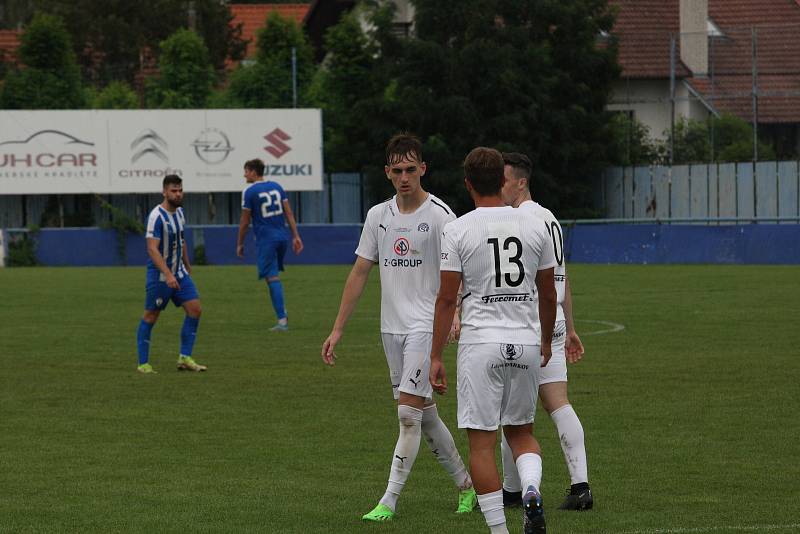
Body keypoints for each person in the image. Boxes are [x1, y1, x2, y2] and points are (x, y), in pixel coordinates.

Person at [321, 134, 477, 521]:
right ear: (387, 173)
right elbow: (360, 271)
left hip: (426, 327)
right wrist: (338, 328)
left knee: (407, 415)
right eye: (397, 170)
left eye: (411, 169)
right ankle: (466, 485)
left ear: (422, 169)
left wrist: (455, 312)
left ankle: (388, 500)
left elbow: (461, 272)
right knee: (423, 414)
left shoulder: (442, 215)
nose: (404, 177)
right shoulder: (378, 216)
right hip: (391, 328)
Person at [429, 147, 557, 534]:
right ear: (503, 180)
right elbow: (548, 293)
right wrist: (547, 341)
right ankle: (531, 489)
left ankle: (500, 531)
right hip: (526, 340)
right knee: (521, 433)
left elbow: (448, 298)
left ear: (467, 184)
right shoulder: (534, 225)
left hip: (481, 345)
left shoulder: (458, 229)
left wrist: (435, 355)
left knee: (482, 444)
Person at [498, 152, 592, 511]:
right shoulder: (549, 217)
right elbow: (562, 277)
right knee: (559, 403)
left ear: (521, 182)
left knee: (512, 413)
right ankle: (581, 486)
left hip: (529, 323)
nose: (500, 186)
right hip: (553, 323)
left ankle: (510, 492)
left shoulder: (520, 219)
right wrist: (570, 328)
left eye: (504, 180)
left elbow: (526, 281)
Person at [136, 174, 207, 374]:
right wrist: (168, 274)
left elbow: (181, 241)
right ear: (164, 192)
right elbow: (152, 249)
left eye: (180, 190)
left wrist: (186, 265)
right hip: (161, 277)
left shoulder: (180, 213)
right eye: (173, 191)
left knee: (195, 309)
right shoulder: (155, 216)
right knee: (150, 317)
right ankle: (143, 364)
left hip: (180, 273)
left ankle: (184, 357)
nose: (177, 194)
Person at [236, 158, 303, 331]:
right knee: (272, 276)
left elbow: (244, 222)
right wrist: (296, 236)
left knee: (272, 277)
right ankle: (283, 317)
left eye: (246, 171)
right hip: (282, 237)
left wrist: (240, 243)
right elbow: (289, 213)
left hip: (266, 239)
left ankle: (282, 320)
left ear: (252, 172)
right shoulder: (277, 187)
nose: (244, 175)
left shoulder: (249, 191)